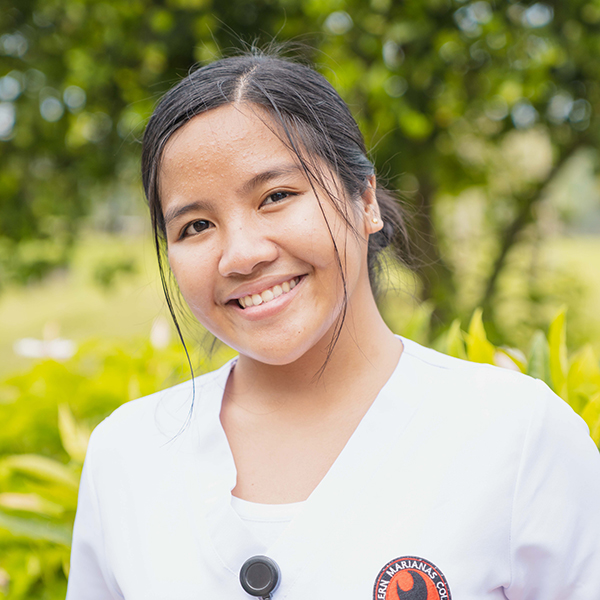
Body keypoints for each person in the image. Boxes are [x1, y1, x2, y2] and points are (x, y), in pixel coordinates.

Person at [66, 50, 600, 600]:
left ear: (365, 200)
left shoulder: (517, 437)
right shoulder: (127, 456)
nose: (241, 255)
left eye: (276, 196)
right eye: (196, 225)